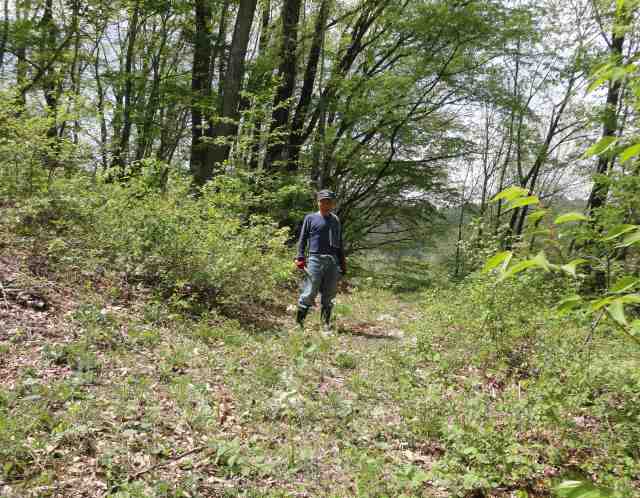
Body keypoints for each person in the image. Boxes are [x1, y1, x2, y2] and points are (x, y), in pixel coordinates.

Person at [294, 190, 347, 332]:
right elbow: (303, 239)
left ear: (333, 204)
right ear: (318, 202)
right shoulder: (310, 218)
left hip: (333, 260)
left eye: (329, 201)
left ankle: (325, 324)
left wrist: (342, 263)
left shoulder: (335, 220)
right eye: (323, 201)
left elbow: (339, 243)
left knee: (329, 293)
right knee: (310, 291)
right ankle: (299, 324)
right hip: (315, 259)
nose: (326, 204)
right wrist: (300, 257)